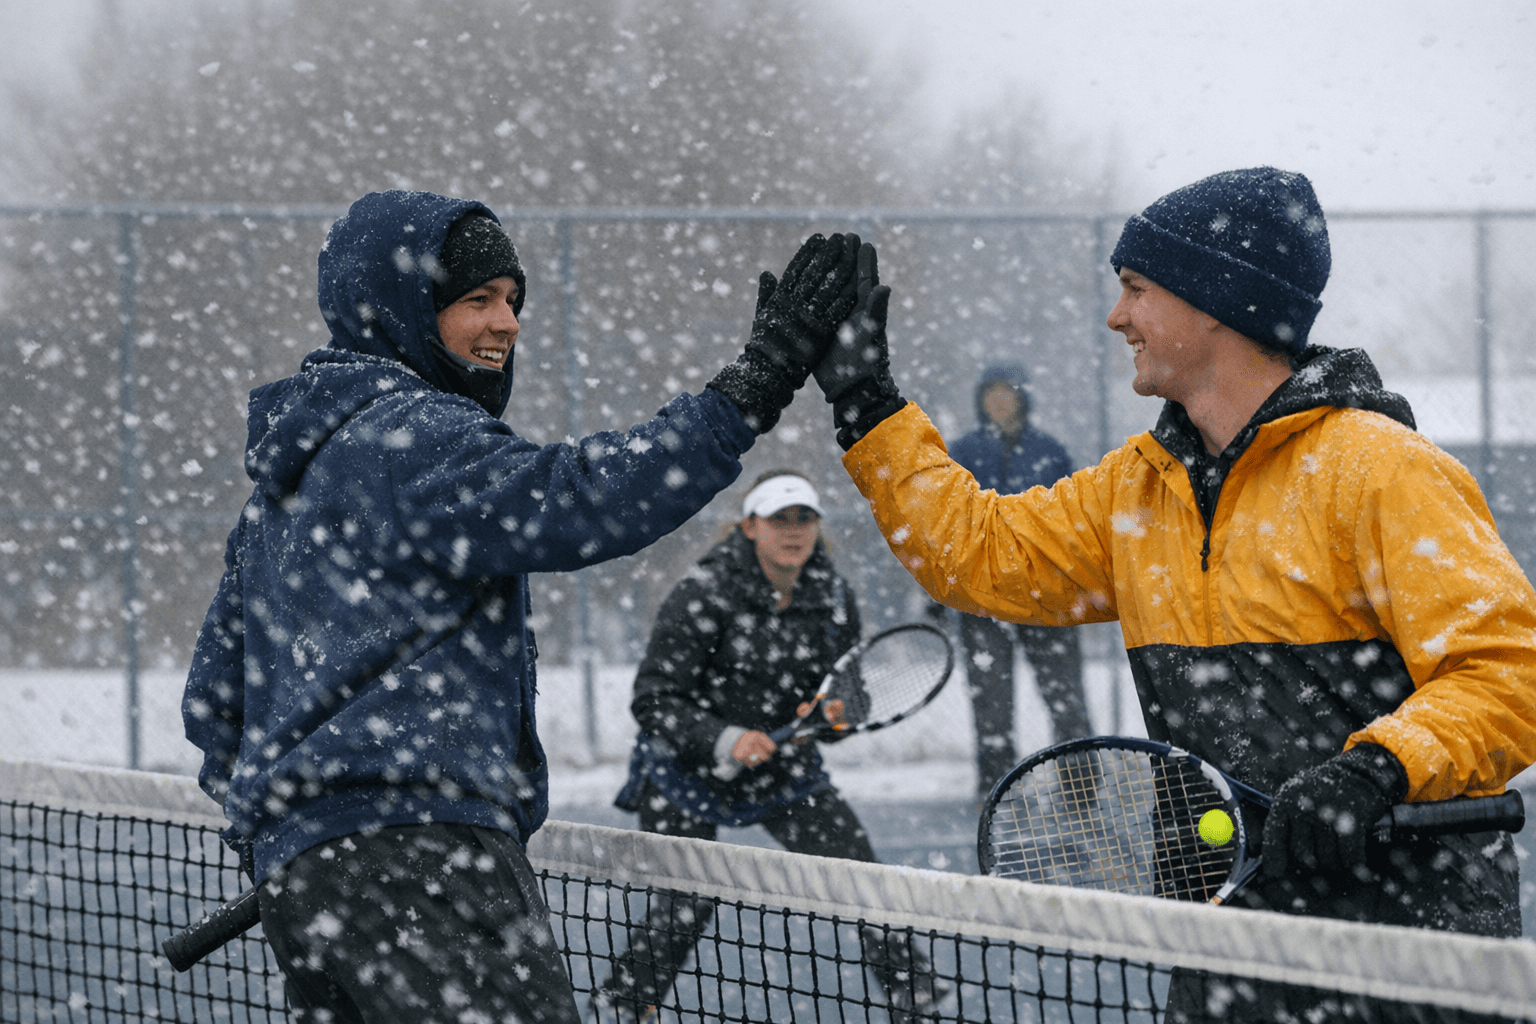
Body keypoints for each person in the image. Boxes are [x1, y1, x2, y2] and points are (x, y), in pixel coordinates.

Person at [811, 168, 1536, 1022]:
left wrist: (1377, 770)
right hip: (1225, 942)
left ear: (1213, 304)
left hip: (1410, 950)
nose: (1117, 317)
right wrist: (866, 403)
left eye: (1136, 290)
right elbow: (980, 554)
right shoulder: (1138, 490)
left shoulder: (1382, 471)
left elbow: (1507, 673)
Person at [181, 189, 865, 1024]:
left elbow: (216, 705)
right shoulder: (410, 436)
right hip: (428, 861)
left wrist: (302, 835)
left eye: (513, 299)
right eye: (476, 299)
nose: (505, 322)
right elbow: (581, 501)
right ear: (395, 306)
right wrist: (754, 385)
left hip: (306, 887)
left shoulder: (280, 492)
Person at [597, 470, 946, 1024]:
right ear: (749, 526)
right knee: (685, 906)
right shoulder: (703, 592)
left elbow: (845, 695)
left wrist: (838, 718)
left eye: (804, 518)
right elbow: (655, 699)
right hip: (680, 774)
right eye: (779, 519)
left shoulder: (833, 597)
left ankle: (916, 999)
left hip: (785, 770)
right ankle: (622, 1006)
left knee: (863, 881)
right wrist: (724, 739)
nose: (793, 531)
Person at [944, 364, 1091, 797]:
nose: (998, 400)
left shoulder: (1050, 451)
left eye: (1005, 391)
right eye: (990, 392)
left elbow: (1074, 522)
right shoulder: (963, 452)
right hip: (982, 601)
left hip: (1046, 598)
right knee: (990, 706)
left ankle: (1081, 790)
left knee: (1067, 700)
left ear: (1022, 396)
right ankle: (996, 792)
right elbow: (948, 524)